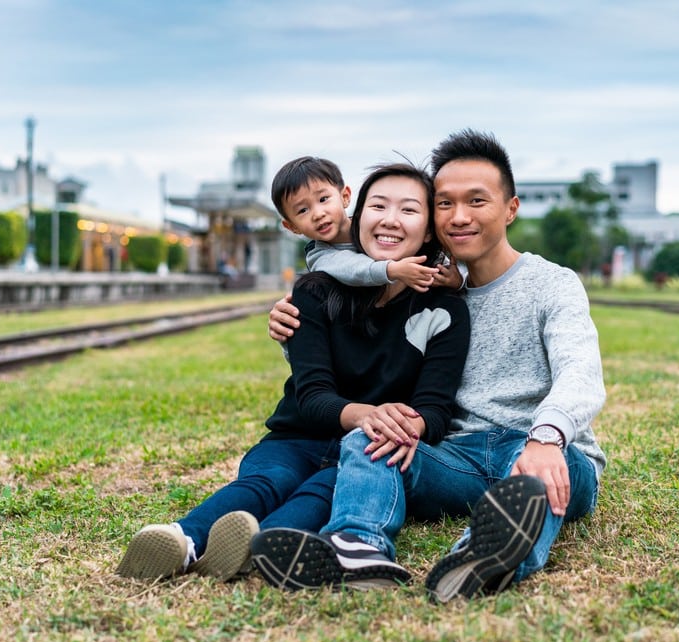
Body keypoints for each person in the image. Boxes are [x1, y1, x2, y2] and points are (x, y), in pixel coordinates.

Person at [253, 129, 606, 601]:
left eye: (476, 201)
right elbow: (354, 353)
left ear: (511, 209)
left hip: (541, 449)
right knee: (371, 436)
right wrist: (291, 331)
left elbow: (579, 370)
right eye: (445, 204)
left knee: (534, 480)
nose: (459, 217)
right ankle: (356, 546)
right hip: (454, 454)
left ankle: (482, 558)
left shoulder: (552, 284)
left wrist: (546, 438)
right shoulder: (423, 289)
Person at [116, 161, 471, 582]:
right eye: (378, 206)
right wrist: (366, 413)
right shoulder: (314, 290)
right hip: (298, 434)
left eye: (409, 210)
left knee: (329, 489)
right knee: (271, 479)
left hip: (366, 453)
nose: (390, 220)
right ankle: (183, 539)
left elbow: (434, 412)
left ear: (429, 229)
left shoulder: (445, 309)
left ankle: (259, 544)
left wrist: (402, 424)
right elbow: (313, 395)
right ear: (360, 213)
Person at [271, 156, 461, 292]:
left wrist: (453, 279)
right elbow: (351, 268)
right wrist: (392, 269)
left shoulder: (374, 225)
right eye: (303, 210)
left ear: (345, 197)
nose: (318, 214)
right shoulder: (320, 255)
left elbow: (427, 261)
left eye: (323, 199)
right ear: (292, 227)